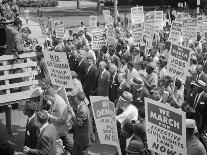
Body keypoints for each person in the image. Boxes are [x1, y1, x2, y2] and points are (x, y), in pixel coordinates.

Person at [44, 87, 73, 154]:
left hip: (60, 129)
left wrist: (50, 116)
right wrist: (48, 111)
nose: (47, 99)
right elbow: (53, 110)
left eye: (48, 97)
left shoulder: (60, 103)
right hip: (57, 128)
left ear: (51, 95)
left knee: (67, 143)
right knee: (65, 143)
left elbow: (62, 120)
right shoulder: (55, 100)